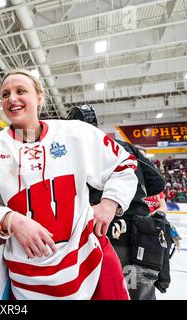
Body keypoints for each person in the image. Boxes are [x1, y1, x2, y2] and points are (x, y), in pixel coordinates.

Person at [0, 69, 138, 300]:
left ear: (40, 97)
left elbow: (124, 164)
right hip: (28, 279)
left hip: (90, 264)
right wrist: (12, 220)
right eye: (5, 94)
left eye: (21, 91)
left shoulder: (76, 133)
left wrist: (110, 203)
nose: (11, 98)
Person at [67, 104, 167, 300]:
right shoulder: (127, 148)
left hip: (106, 233)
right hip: (144, 234)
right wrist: (134, 193)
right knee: (142, 292)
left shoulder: (76, 152)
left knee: (110, 292)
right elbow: (157, 182)